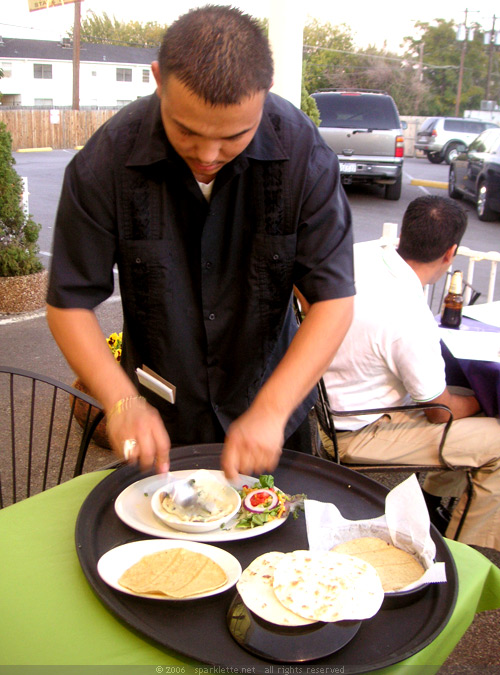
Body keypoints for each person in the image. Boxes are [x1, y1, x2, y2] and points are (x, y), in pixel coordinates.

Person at [46, 5, 355, 480]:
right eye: (186, 131)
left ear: (264, 94)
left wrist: (272, 409)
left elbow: (332, 301)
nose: (208, 156)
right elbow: (69, 302)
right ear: (157, 79)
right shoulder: (104, 162)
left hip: (272, 414)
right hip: (163, 421)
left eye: (235, 136)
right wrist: (120, 399)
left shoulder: (303, 157)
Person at [317, 195, 500, 551]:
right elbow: (439, 412)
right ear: (451, 252)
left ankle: (431, 506)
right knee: (493, 437)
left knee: (457, 398)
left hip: (326, 406)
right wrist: (484, 400)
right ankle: (463, 555)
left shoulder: (360, 256)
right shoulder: (410, 318)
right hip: (355, 431)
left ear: (404, 235)